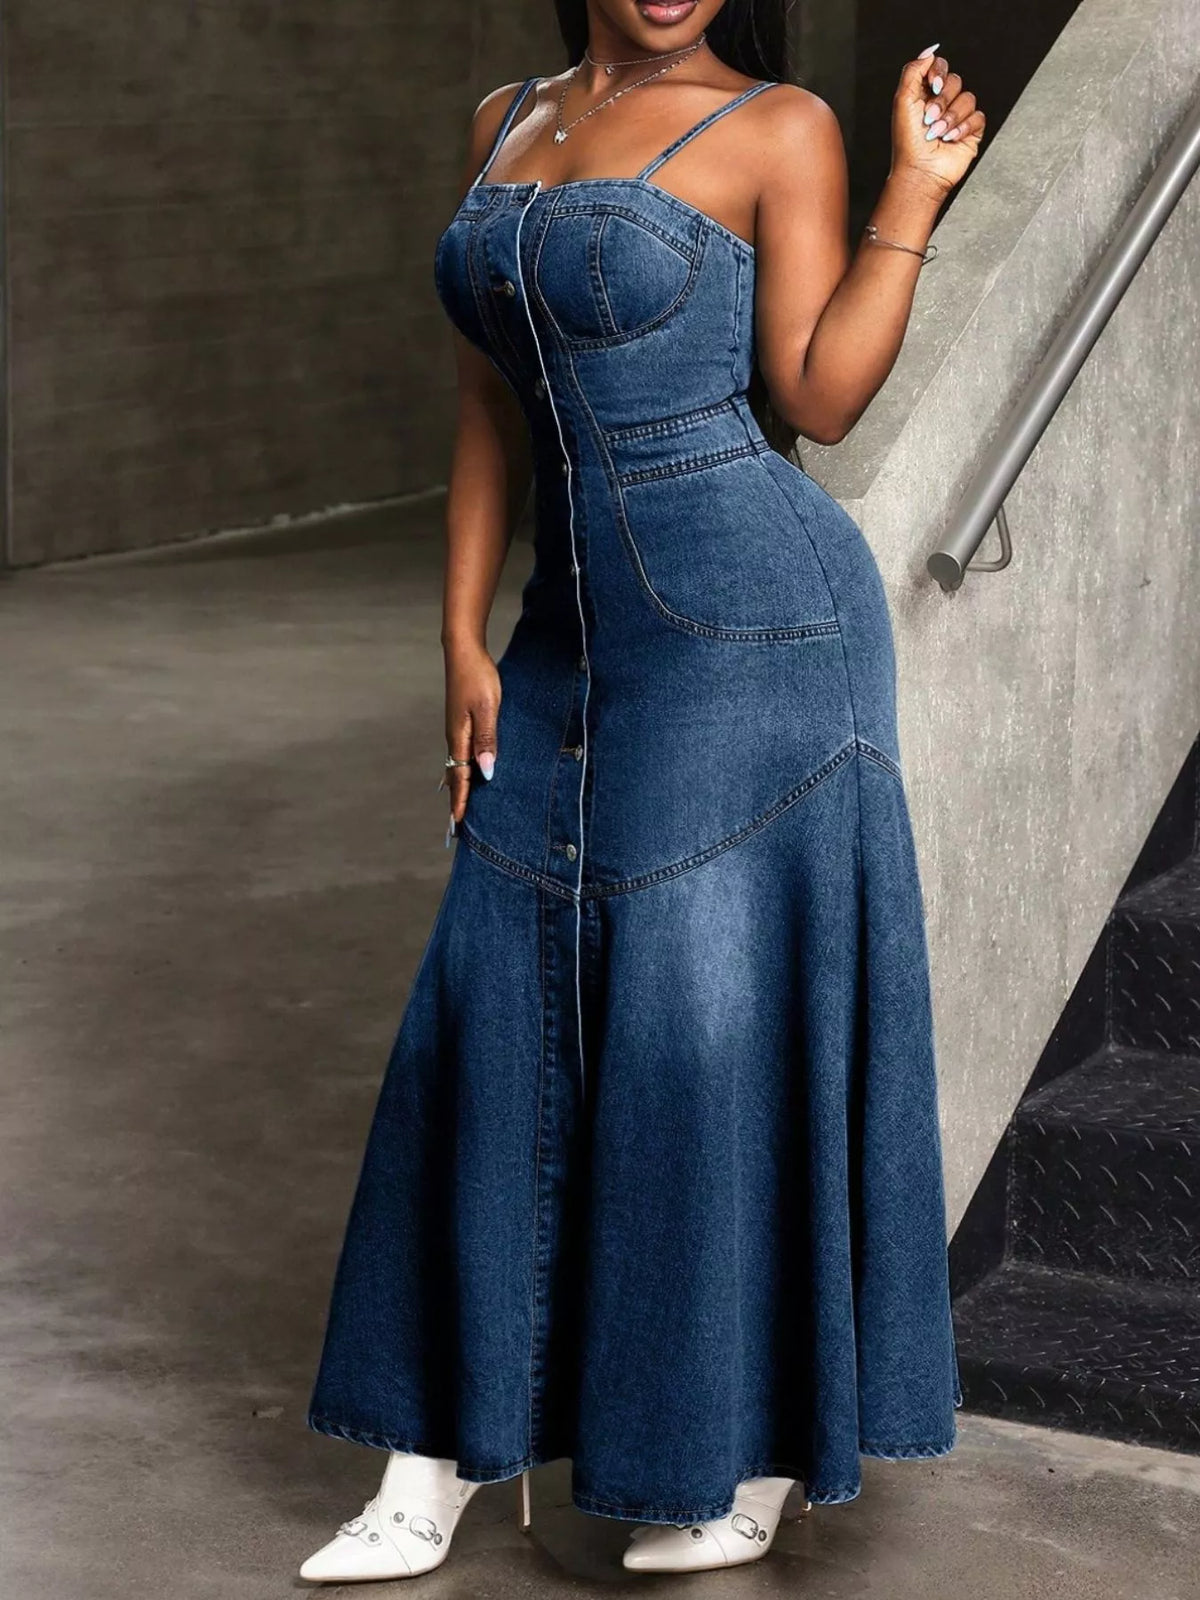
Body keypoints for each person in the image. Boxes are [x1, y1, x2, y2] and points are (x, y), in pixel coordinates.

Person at [299, 0, 985, 1582]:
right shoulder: (504, 117)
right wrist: (461, 633)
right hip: (567, 638)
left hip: (756, 627)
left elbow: (815, 397)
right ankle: (433, 1460)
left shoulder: (782, 126)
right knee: (483, 999)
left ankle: (734, 1456)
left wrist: (914, 193)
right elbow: (488, 402)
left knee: (698, 1024)